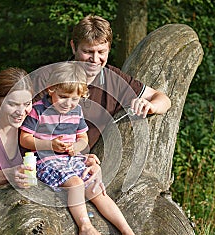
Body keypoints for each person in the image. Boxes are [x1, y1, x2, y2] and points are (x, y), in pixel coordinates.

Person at [20, 62, 143, 235]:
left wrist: (76, 147)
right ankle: (85, 226)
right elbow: (25, 139)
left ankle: (126, 230)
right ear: (51, 88)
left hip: (71, 159)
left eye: (74, 99)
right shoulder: (38, 110)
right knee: (76, 183)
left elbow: (83, 138)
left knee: (96, 189)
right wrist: (49, 144)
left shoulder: (76, 111)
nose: (67, 104)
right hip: (46, 161)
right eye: (63, 97)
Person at [0, 67, 101, 193]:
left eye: (27, 103)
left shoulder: (32, 121)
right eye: (13, 104)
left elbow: (53, 154)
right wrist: (8, 175)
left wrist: (83, 160)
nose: (21, 111)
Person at [70, 15, 172, 148]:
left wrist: (151, 106)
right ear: (73, 47)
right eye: (88, 51)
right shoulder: (50, 78)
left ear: (109, 49)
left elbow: (164, 100)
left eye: (101, 52)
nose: (95, 59)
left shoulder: (114, 80)